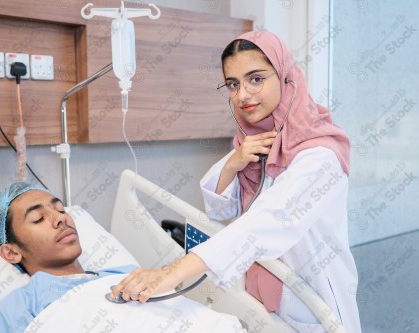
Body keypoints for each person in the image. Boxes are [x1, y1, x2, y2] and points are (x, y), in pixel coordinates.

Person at [111, 30, 362, 332]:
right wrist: (233, 163)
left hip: (314, 303)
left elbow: (267, 220)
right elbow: (221, 212)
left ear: (286, 78)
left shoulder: (320, 156)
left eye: (256, 79)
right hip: (262, 302)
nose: (242, 95)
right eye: (233, 84)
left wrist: (171, 273)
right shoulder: (253, 142)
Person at [0, 182, 134, 333]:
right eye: (38, 218)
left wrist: (159, 278)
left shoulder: (128, 274)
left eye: (60, 210)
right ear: (12, 253)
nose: (61, 219)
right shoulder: (19, 308)